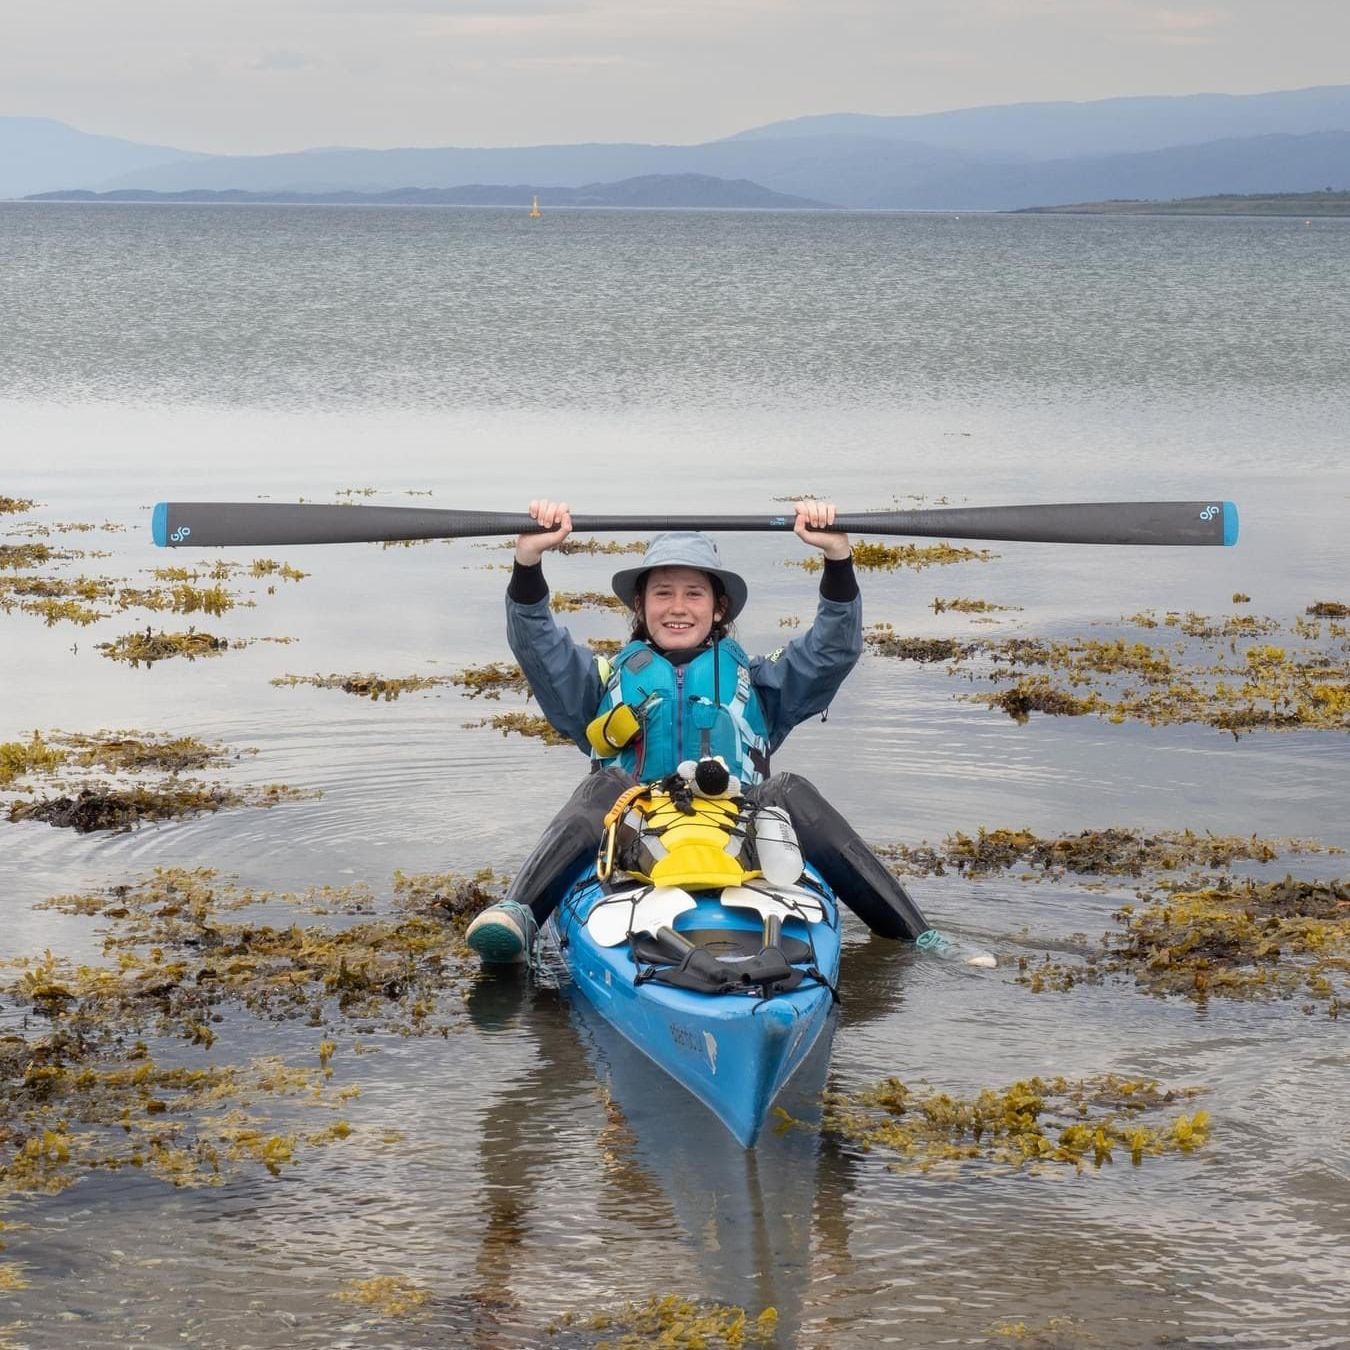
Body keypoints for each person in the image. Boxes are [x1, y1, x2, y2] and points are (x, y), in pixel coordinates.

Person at [465, 497, 937, 964]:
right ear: (640, 604)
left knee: (790, 788)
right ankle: (518, 915)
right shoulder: (600, 683)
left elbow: (830, 650)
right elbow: (539, 648)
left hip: (737, 833)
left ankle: (919, 936)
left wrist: (837, 558)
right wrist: (528, 563)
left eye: (694, 593)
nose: (678, 608)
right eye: (663, 592)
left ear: (718, 608)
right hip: (636, 839)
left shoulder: (761, 684)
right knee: (604, 784)